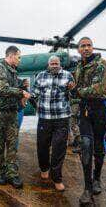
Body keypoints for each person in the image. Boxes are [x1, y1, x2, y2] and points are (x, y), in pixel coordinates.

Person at [73, 37, 106, 204]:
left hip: (99, 109)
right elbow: (75, 88)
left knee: (98, 146)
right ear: (78, 49)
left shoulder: (102, 64)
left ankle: (97, 178)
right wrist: (74, 91)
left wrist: (76, 91)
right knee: (86, 145)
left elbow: (97, 89)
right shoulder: (78, 66)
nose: (86, 48)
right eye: (83, 46)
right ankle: (87, 188)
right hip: (85, 110)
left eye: (88, 45)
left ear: (93, 47)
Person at [0, 45, 31, 189]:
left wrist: (22, 84)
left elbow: (14, 85)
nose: (19, 60)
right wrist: (22, 93)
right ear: (11, 56)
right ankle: (0, 173)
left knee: (12, 145)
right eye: (18, 56)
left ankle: (12, 174)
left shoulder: (12, 72)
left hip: (11, 113)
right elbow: (4, 89)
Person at [32, 55, 75, 191]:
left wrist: (72, 89)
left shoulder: (68, 75)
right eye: (52, 63)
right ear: (48, 64)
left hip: (62, 118)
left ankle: (57, 178)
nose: (55, 65)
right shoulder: (41, 76)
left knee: (59, 148)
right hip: (44, 117)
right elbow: (35, 93)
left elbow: (73, 94)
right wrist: (26, 96)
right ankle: (44, 168)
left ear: (60, 64)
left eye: (56, 63)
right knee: (42, 146)